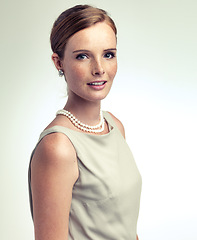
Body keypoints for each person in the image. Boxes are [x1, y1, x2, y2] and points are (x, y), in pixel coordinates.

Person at [28, 4, 142, 240]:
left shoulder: (115, 126)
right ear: (58, 63)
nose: (99, 69)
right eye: (83, 56)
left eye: (108, 54)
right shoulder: (58, 147)